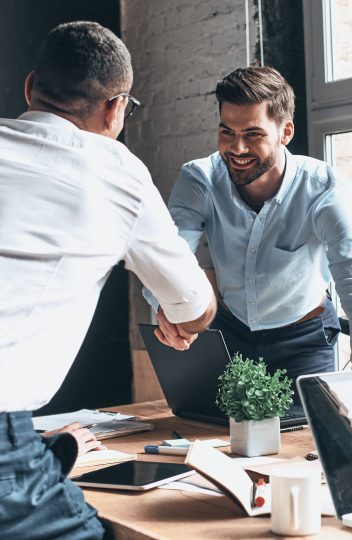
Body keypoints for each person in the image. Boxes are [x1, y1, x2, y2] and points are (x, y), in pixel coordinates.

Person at [0, 22, 216, 539]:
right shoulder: (116, 170)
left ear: (31, 88)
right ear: (116, 108)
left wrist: (45, 447)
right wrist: (176, 316)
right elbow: (195, 308)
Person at [149, 66, 352, 385]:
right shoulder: (200, 179)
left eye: (253, 134)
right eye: (227, 132)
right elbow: (168, 254)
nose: (237, 149)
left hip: (303, 340)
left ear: (285, 132)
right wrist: (167, 306)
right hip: (229, 333)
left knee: (307, 433)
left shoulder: (325, 188)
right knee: (214, 431)